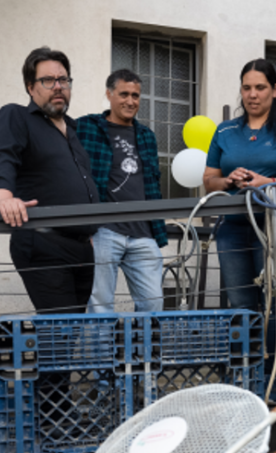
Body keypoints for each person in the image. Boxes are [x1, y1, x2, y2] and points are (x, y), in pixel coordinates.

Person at [0, 46, 99, 313]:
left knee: (68, 335)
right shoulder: (17, 116)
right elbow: (2, 156)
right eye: (48, 80)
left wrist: (89, 231)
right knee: (59, 334)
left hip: (82, 248)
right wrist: (3, 196)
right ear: (30, 87)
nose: (58, 86)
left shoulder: (73, 129)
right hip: (44, 242)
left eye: (64, 80)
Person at [203, 58, 276, 311]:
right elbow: (209, 180)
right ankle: (248, 351)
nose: (252, 95)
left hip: (275, 225)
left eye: (260, 88)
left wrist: (270, 183)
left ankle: (275, 351)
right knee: (240, 304)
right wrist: (227, 180)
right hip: (232, 229)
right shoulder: (224, 130)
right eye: (246, 88)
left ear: (274, 90)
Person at [76, 69, 168, 313]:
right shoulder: (85, 127)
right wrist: (83, 227)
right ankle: (101, 353)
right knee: (100, 305)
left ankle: (144, 352)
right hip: (103, 230)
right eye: (124, 94)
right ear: (109, 94)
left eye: (136, 95)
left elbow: (152, 184)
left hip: (143, 231)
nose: (130, 101)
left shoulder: (147, 136)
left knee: (153, 303)